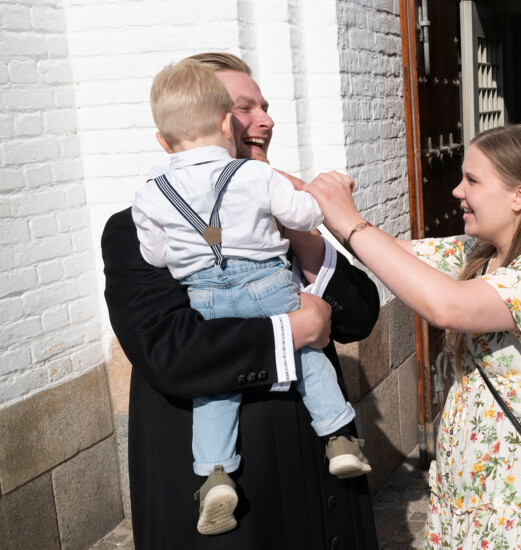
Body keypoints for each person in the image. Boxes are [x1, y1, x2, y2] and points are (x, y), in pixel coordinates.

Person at [102, 52, 380, 549]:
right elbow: (171, 352)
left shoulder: (274, 204)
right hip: (238, 512)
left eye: (264, 107)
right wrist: (294, 330)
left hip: (324, 494)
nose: (264, 120)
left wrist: (304, 236)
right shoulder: (135, 226)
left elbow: (359, 317)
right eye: (242, 107)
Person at [304, 124, 521, 549]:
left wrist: (348, 221)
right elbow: (387, 252)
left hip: (517, 505)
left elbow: (448, 306)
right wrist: (256, 178)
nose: (457, 191)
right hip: (465, 494)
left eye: (472, 180)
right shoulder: (477, 255)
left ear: (519, 196)